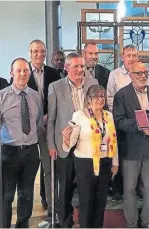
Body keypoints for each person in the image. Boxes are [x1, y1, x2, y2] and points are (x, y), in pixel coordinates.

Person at [47, 52, 98, 228]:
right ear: (67, 67)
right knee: (66, 186)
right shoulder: (55, 87)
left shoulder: (93, 84)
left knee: (86, 186)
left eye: (82, 66)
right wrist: (51, 145)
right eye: (76, 66)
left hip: (87, 144)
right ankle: (65, 222)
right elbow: (52, 119)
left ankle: (86, 222)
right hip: (65, 145)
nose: (80, 70)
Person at [62, 85, 118, 228]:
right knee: (86, 201)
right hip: (85, 164)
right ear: (88, 100)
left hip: (105, 162)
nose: (100, 99)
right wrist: (66, 139)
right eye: (96, 96)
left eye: (102, 96)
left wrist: (115, 163)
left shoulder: (108, 115)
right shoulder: (79, 115)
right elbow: (72, 142)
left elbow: (113, 140)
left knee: (101, 202)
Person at [113, 62, 149, 228]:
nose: (143, 76)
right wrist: (141, 127)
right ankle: (132, 223)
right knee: (129, 189)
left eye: (145, 73)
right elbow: (118, 121)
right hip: (130, 148)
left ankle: (146, 220)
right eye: (139, 73)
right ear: (131, 75)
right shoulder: (122, 95)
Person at [0, 58, 44, 228]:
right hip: (9, 153)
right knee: (6, 195)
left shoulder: (35, 95)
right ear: (11, 73)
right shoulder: (2, 97)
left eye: (26, 70)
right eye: (18, 71)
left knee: (26, 194)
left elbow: (38, 124)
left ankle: (22, 225)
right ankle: (4, 225)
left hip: (31, 152)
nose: (23, 74)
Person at [25, 39, 61, 215]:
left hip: (48, 126)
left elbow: (58, 99)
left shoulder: (54, 73)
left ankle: (51, 206)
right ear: (30, 53)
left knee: (49, 168)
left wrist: (49, 117)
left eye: (42, 51)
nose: (39, 54)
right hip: (28, 130)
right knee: (30, 168)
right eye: (35, 51)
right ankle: (28, 207)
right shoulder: (23, 73)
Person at [107, 44, 145, 201]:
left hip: (138, 121)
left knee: (138, 155)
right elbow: (109, 97)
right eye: (128, 55)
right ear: (122, 57)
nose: (131, 58)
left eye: (134, 55)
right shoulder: (115, 75)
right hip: (120, 121)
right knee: (120, 156)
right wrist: (118, 112)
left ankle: (137, 188)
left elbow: (146, 95)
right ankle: (118, 189)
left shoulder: (142, 72)